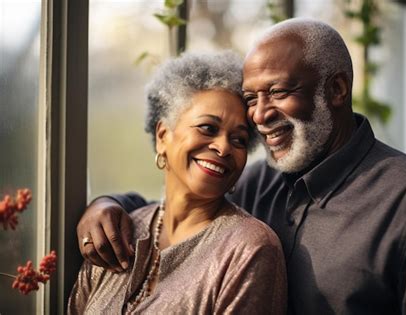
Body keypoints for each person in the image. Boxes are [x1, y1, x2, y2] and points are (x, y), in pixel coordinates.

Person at [77, 18, 406, 314]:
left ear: (336, 89)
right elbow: (182, 209)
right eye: (251, 97)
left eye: (279, 92)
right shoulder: (259, 182)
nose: (260, 115)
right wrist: (108, 204)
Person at [69, 52, 287, 314]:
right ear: (163, 136)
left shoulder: (249, 249)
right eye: (208, 128)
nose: (223, 147)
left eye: (239, 140)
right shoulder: (116, 233)